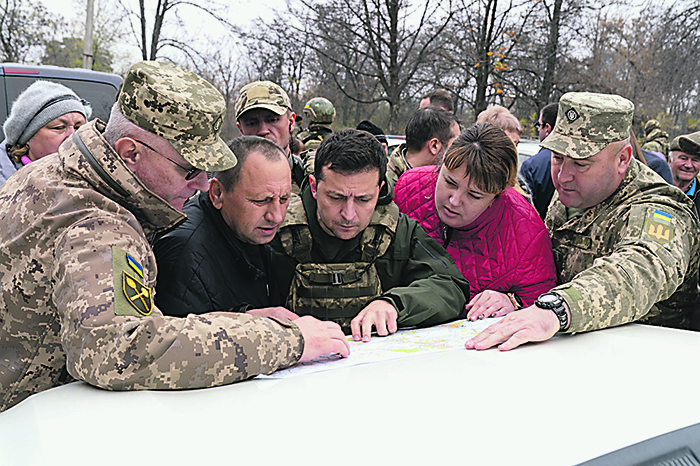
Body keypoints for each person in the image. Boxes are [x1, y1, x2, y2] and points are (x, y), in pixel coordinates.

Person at [0, 61, 349, 413]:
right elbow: (118, 350)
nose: (200, 184)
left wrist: (245, 322)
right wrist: (286, 341)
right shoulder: (98, 225)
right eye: (189, 169)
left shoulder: (53, 171)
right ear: (129, 153)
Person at [466, 92, 700, 352]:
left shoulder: (660, 209)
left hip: (646, 360)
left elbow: (638, 272)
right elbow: (545, 267)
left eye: (580, 163)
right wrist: (517, 300)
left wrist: (555, 308)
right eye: (557, 158)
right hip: (564, 351)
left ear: (622, 159)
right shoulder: (577, 190)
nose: (563, 176)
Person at [271, 128, 470, 341]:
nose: (348, 214)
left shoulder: (397, 231)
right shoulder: (276, 228)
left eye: (363, 200)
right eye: (336, 197)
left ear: (380, 189)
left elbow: (451, 286)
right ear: (313, 186)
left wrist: (394, 304)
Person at [394, 123, 557, 320]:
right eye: (449, 181)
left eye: (474, 195)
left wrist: (513, 301)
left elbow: (544, 301)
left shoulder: (527, 234)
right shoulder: (408, 187)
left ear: (498, 195)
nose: (454, 200)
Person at [153, 136, 296, 319]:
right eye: (261, 201)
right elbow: (177, 342)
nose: (276, 216)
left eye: (284, 199)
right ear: (217, 193)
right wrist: (250, 323)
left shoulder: (250, 229)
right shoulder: (184, 256)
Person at [0, 80, 90, 185]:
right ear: (27, 138)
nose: (73, 136)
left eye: (78, 127)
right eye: (59, 127)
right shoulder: (6, 187)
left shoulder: (92, 178)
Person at [235, 80, 305, 191]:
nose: (263, 131)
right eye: (251, 123)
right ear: (241, 130)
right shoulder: (228, 183)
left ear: (291, 122)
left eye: (273, 120)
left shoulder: (311, 178)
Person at [386, 106, 460, 188]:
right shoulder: (385, 190)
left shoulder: (438, 182)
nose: (458, 153)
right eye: (455, 145)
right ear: (434, 146)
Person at [519, 102, 558, 219]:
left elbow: (521, 210)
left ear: (547, 128)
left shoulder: (531, 166)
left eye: (538, 125)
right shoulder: (584, 161)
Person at [668, 132, 700, 217]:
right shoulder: (654, 189)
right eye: (683, 158)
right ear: (670, 161)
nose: (689, 165)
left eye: (695, 160)